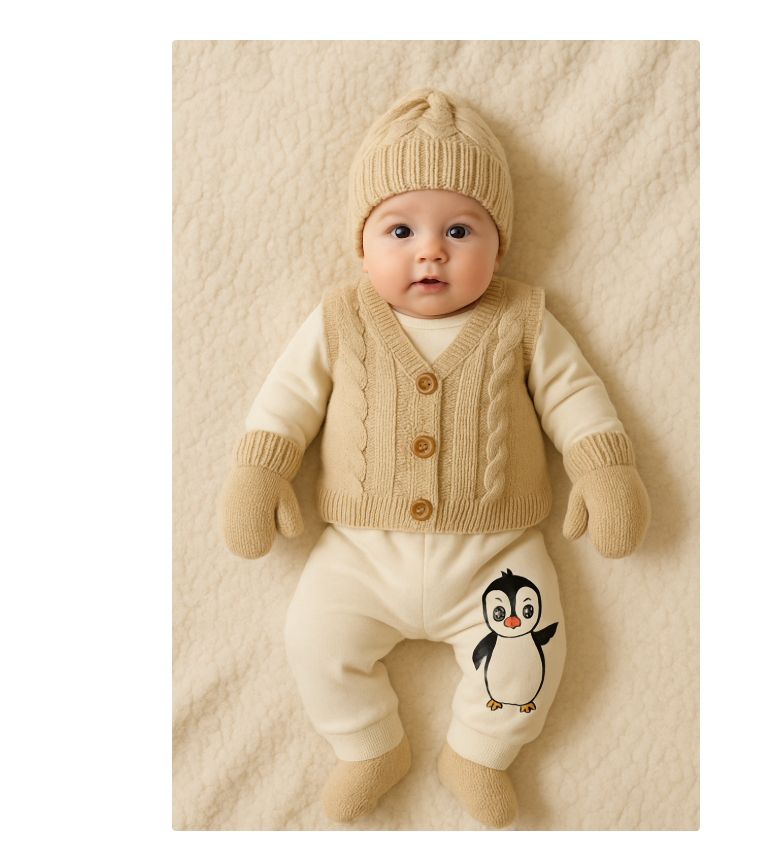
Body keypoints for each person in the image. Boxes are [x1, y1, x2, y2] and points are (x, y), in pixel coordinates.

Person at [219, 89, 650, 828]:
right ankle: (367, 745)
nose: (430, 251)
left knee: (531, 659)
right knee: (312, 639)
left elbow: (574, 393)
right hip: (360, 551)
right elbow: (287, 397)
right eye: (400, 230)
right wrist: (260, 471)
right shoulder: (341, 317)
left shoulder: (523, 319)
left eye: (459, 229)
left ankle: (479, 752)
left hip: (496, 558)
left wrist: (603, 469)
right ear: (362, 248)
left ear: (499, 246)